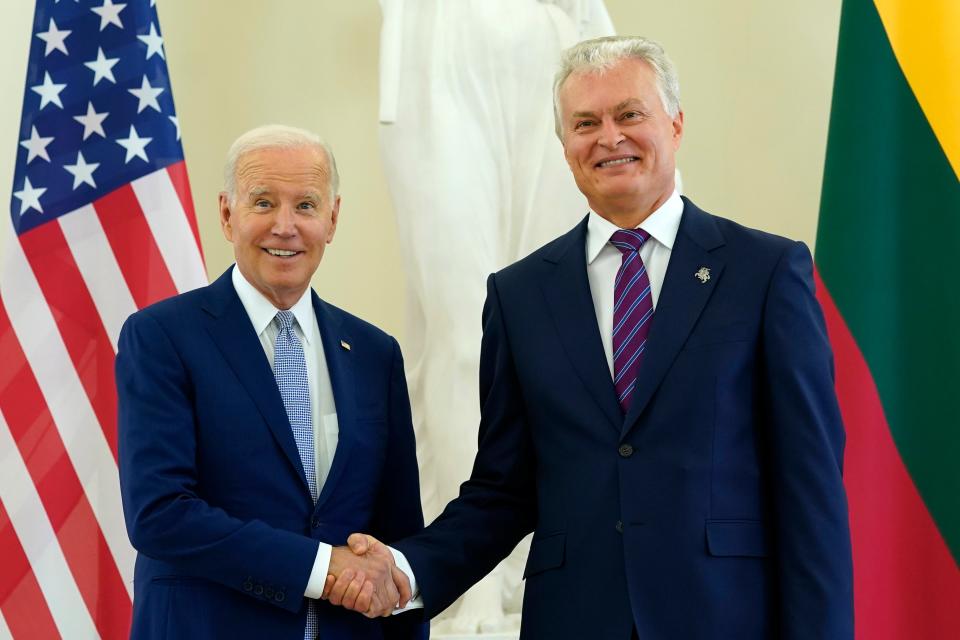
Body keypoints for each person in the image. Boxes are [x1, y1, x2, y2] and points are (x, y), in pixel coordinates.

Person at [329, 36, 853, 639]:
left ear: (676, 125)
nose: (609, 137)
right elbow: (504, 491)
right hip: (572, 620)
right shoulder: (519, 295)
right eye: (585, 123)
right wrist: (404, 568)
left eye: (630, 114)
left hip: (723, 617)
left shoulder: (765, 272)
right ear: (565, 145)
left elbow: (810, 489)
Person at [116, 124, 427, 640]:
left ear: (332, 218)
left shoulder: (375, 353)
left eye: (305, 205)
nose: (285, 226)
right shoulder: (161, 337)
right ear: (226, 214)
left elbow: (397, 534)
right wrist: (322, 569)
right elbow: (160, 513)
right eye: (263, 202)